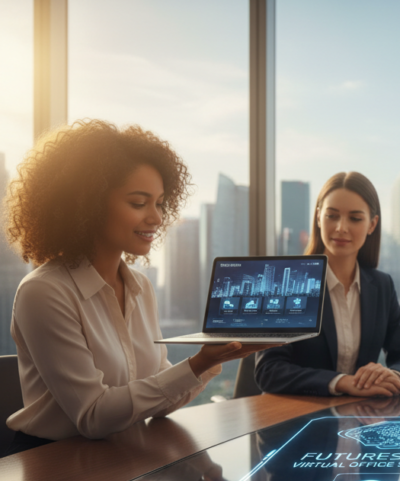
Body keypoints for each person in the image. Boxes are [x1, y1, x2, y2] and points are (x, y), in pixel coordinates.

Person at [2, 120, 272, 455]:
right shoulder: (44, 292)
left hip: (127, 456)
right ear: (88, 204)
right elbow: (94, 416)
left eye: (159, 203)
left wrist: (217, 357)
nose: (157, 218)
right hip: (54, 466)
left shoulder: (140, 286)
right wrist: (197, 364)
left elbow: (158, 401)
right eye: (138, 203)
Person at [255, 172, 400, 396]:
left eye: (355, 218)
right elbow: (269, 370)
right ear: (318, 217)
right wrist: (341, 382)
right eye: (332, 216)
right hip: (294, 418)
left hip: (359, 419)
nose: (341, 227)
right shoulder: (288, 283)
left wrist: (395, 375)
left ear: (372, 224)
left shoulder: (381, 286)